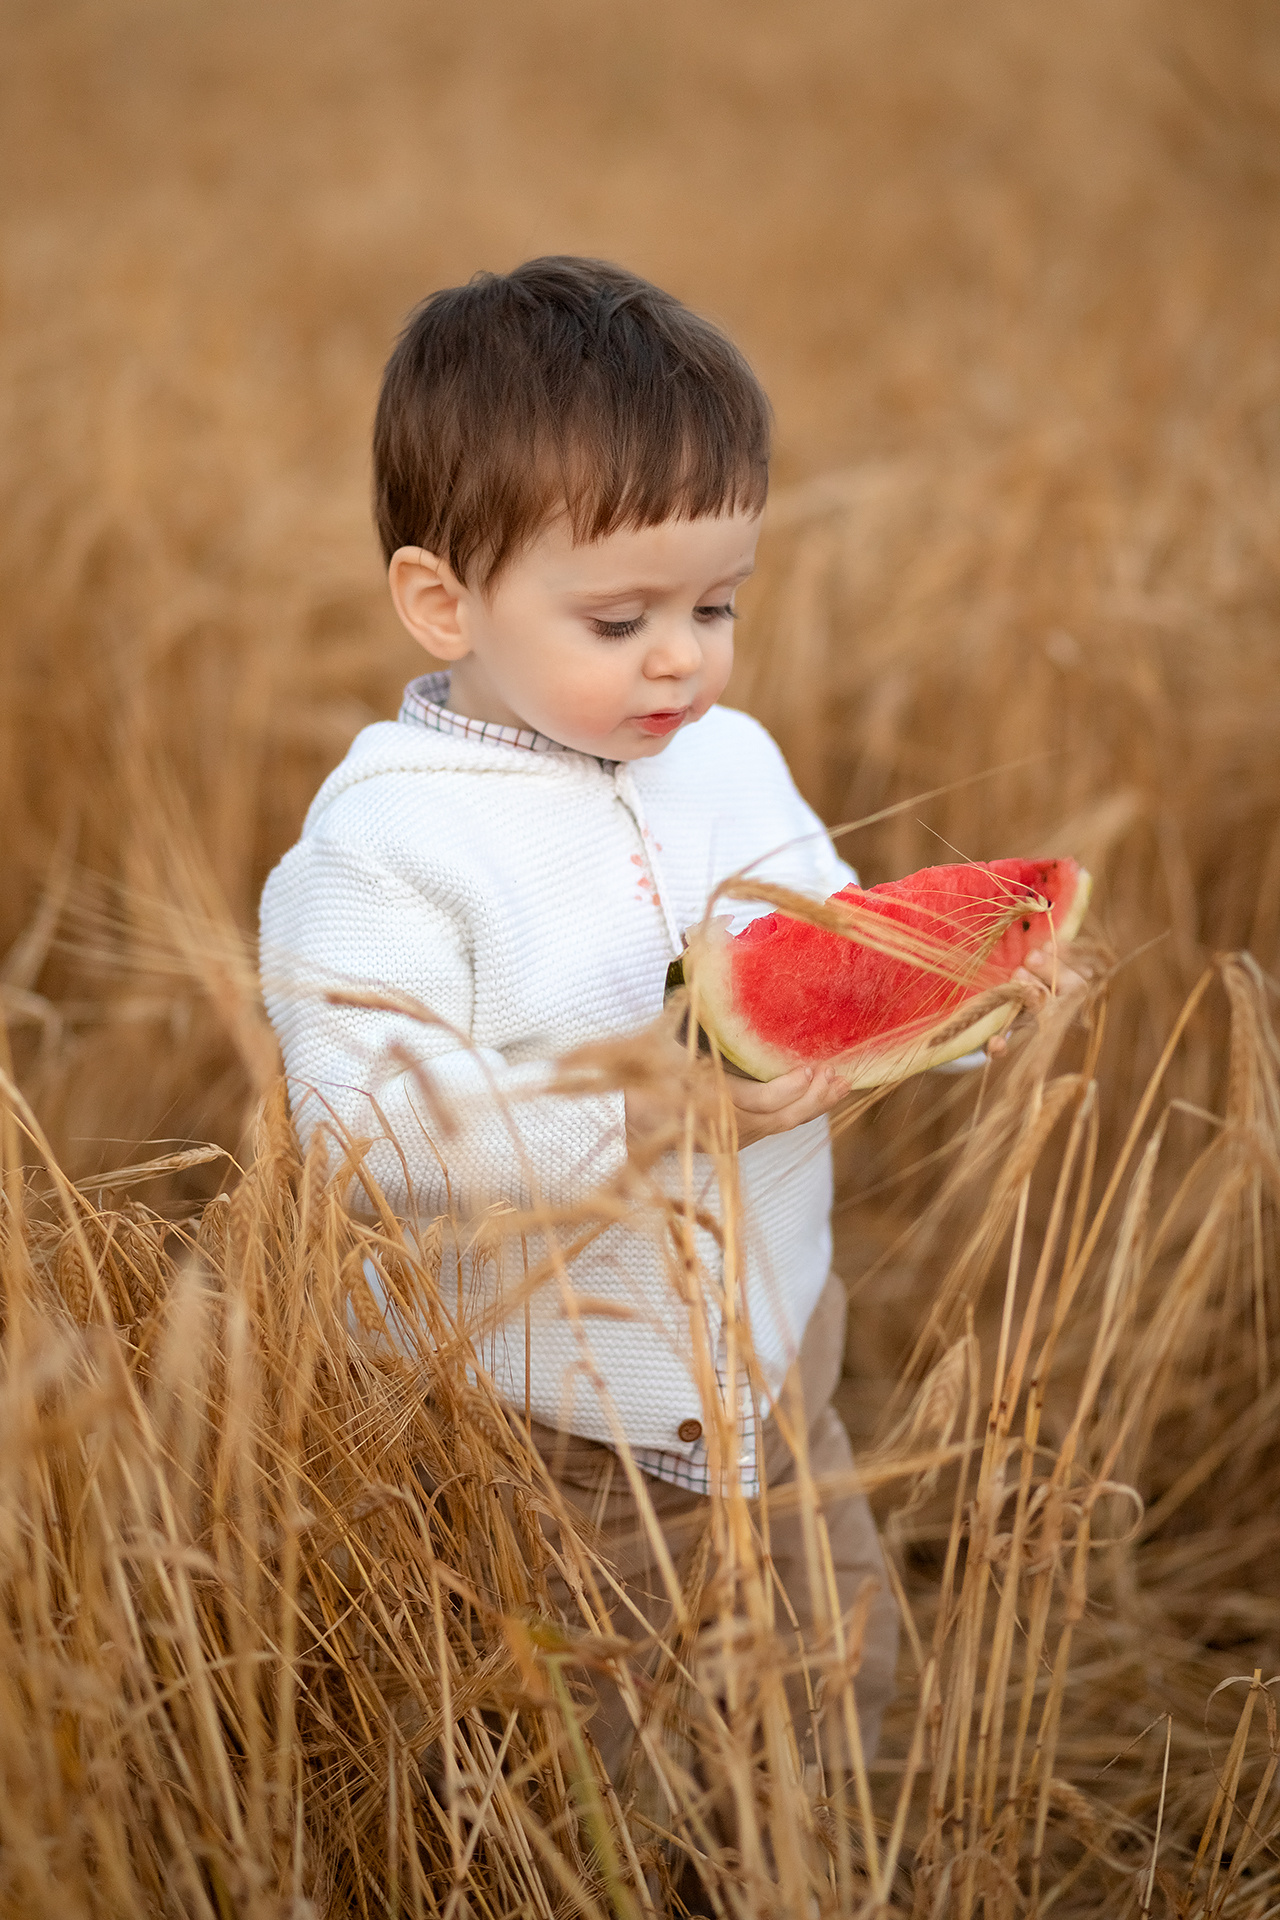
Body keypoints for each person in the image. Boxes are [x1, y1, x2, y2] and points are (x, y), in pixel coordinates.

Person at [259, 257, 1069, 1796]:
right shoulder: (386, 843)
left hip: (777, 1358)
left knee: (837, 1690)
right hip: (553, 1430)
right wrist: (645, 1112)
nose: (685, 657)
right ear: (444, 603)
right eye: (622, 616)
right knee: (610, 1779)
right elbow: (366, 1123)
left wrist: (966, 998)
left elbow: (839, 947)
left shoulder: (729, 758)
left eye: (718, 604)